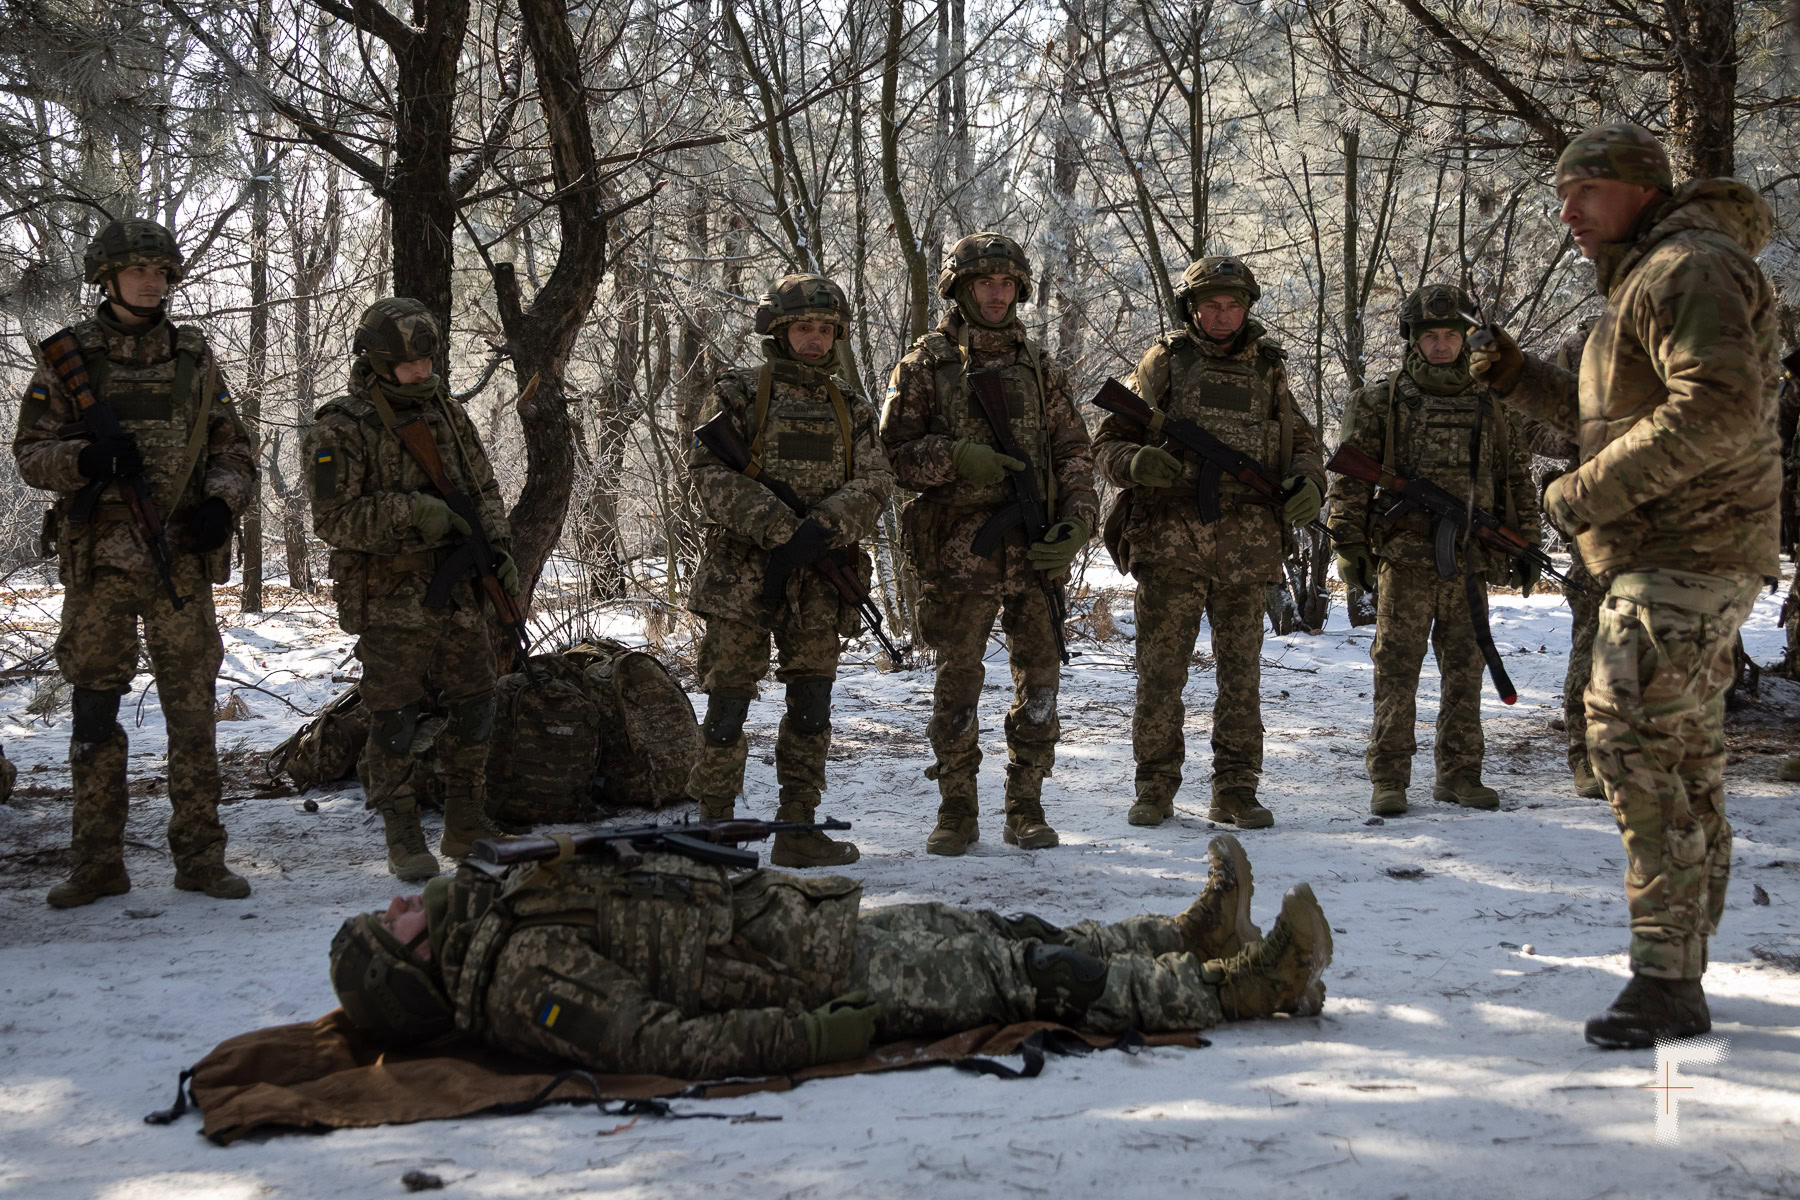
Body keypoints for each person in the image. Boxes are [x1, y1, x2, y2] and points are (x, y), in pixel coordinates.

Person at [1470, 123, 1781, 1047]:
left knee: (1633, 744)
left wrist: (1581, 495)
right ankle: (1679, 962)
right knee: (1680, 754)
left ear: (1642, 188)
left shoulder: (1687, 267)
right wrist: (1522, 379)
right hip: (1679, 551)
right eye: (1561, 193)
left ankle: (1668, 978)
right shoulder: (1651, 276)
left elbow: (1715, 409)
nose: (1567, 211)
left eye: (1586, 191)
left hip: (1687, 549)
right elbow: (1612, 415)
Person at [327, 833, 1332, 1078]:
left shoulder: (497, 909)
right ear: (409, 971)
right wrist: (806, 1034)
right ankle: (1238, 986)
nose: (401, 903)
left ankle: (1182, 934)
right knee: (1029, 981)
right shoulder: (517, 982)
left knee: (994, 935)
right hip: (807, 979)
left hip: (797, 926)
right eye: (392, 925)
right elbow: (659, 1040)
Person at [12, 218, 255, 907]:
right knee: (94, 713)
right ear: (108, 278)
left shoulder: (195, 356)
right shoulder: (72, 358)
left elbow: (236, 449)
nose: (151, 282)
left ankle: (201, 857)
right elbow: (30, 454)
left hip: (180, 557)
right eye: (138, 270)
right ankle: (97, 862)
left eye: (161, 271)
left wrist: (221, 502)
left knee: (192, 712)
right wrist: (85, 460)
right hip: (101, 567)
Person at [880, 232, 1098, 855]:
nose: (997, 295)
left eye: (1006, 284)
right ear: (961, 288)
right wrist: (954, 458)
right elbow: (892, 457)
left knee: (1041, 677)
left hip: (1034, 549)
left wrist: (1078, 522)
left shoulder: (1042, 368)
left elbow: (1075, 454)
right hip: (959, 550)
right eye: (985, 284)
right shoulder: (925, 366)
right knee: (957, 679)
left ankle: (1026, 801)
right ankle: (956, 806)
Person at [1093, 256, 1325, 830]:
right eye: (1212, 305)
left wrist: (1309, 483)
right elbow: (1107, 445)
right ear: (1192, 309)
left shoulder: (1270, 371)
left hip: (1246, 554)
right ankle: (1154, 787)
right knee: (1161, 673)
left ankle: (1237, 788)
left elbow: (1304, 444)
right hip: (1170, 547)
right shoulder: (1164, 365)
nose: (1223, 316)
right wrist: (1137, 462)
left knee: (1241, 676)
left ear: (1248, 308)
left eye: (1234, 305)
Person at [304, 298, 520, 882]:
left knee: (477, 701)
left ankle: (465, 820)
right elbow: (333, 519)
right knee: (393, 715)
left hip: (458, 592)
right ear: (376, 361)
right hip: (390, 594)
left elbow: (484, 490)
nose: (422, 371)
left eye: (428, 360)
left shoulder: (449, 412)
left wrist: (498, 550)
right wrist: (412, 513)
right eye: (409, 363)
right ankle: (401, 832)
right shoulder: (340, 426)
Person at [682, 274, 894, 867]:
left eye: (826, 330)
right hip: (745, 574)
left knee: (811, 705)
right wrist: (782, 528)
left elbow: (876, 482)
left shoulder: (851, 405)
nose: (815, 339)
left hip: (821, 581)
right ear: (778, 329)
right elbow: (707, 475)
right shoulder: (740, 392)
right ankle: (713, 827)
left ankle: (798, 827)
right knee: (727, 703)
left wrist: (823, 527)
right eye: (804, 327)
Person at [1326, 283, 1540, 817]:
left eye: (1452, 336)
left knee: (1467, 666)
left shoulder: (1492, 403)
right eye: (1431, 336)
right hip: (1405, 557)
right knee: (1397, 666)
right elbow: (1350, 478)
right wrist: (1348, 541)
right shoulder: (1383, 400)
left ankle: (1461, 773)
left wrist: (1526, 543)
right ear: (1413, 340)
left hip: (1469, 557)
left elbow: (1514, 477)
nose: (1442, 345)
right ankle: (1390, 777)